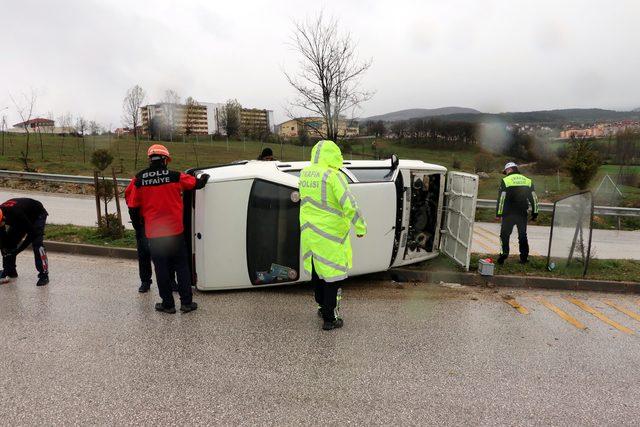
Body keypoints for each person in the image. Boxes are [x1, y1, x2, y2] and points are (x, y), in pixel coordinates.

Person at [126, 144, 209, 313]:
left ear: (150, 159)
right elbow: (197, 184)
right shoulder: (175, 176)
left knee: (161, 268)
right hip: (175, 232)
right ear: (165, 160)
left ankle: (168, 305)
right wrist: (204, 178)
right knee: (181, 266)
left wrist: (138, 226)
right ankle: (186, 303)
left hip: (154, 234)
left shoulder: (139, 179)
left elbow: (132, 205)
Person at [299, 140, 367, 331]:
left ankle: (322, 307)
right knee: (332, 278)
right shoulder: (333, 176)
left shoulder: (305, 174)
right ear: (334, 155)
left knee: (318, 274)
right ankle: (330, 318)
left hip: (309, 233)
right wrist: (360, 227)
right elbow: (348, 203)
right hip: (329, 235)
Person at [124, 186, 178, 293]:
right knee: (145, 252)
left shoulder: (150, 178)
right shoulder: (139, 180)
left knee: (164, 252)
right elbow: (130, 198)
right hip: (147, 221)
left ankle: (168, 281)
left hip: (159, 221)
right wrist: (137, 223)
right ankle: (147, 281)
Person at [495, 162, 539, 265]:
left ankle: (504, 254)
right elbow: (534, 199)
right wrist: (535, 214)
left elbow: (502, 199)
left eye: (505, 171)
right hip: (522, 213)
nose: (505, 173)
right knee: (523, 236)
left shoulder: (505, 181)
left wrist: (498, 214)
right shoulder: (528, 181)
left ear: (509, 170)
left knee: (504, 235)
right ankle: (524, 258)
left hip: (508, 214)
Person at [0, 198, 49, 286]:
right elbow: (3, 239)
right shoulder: (1, 215)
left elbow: (32, 234)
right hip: (22, 214)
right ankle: (10, 271)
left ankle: (44, 275)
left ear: (3, 217)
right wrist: (4, 249)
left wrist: (17, 251)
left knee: (37, 243)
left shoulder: (16, 214)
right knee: (8, 243)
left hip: (37, 215)